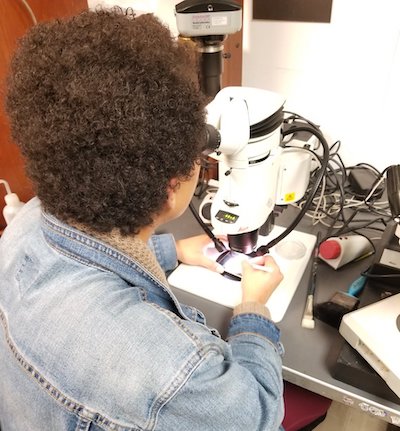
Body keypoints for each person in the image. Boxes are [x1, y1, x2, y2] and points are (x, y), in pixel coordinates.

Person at [0, 9, 285, 430]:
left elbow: (84, 259)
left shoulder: (27, 222)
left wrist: (174, 250)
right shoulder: (170, 372)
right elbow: (255, 415)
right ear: (173, 185)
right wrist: (253, 308)